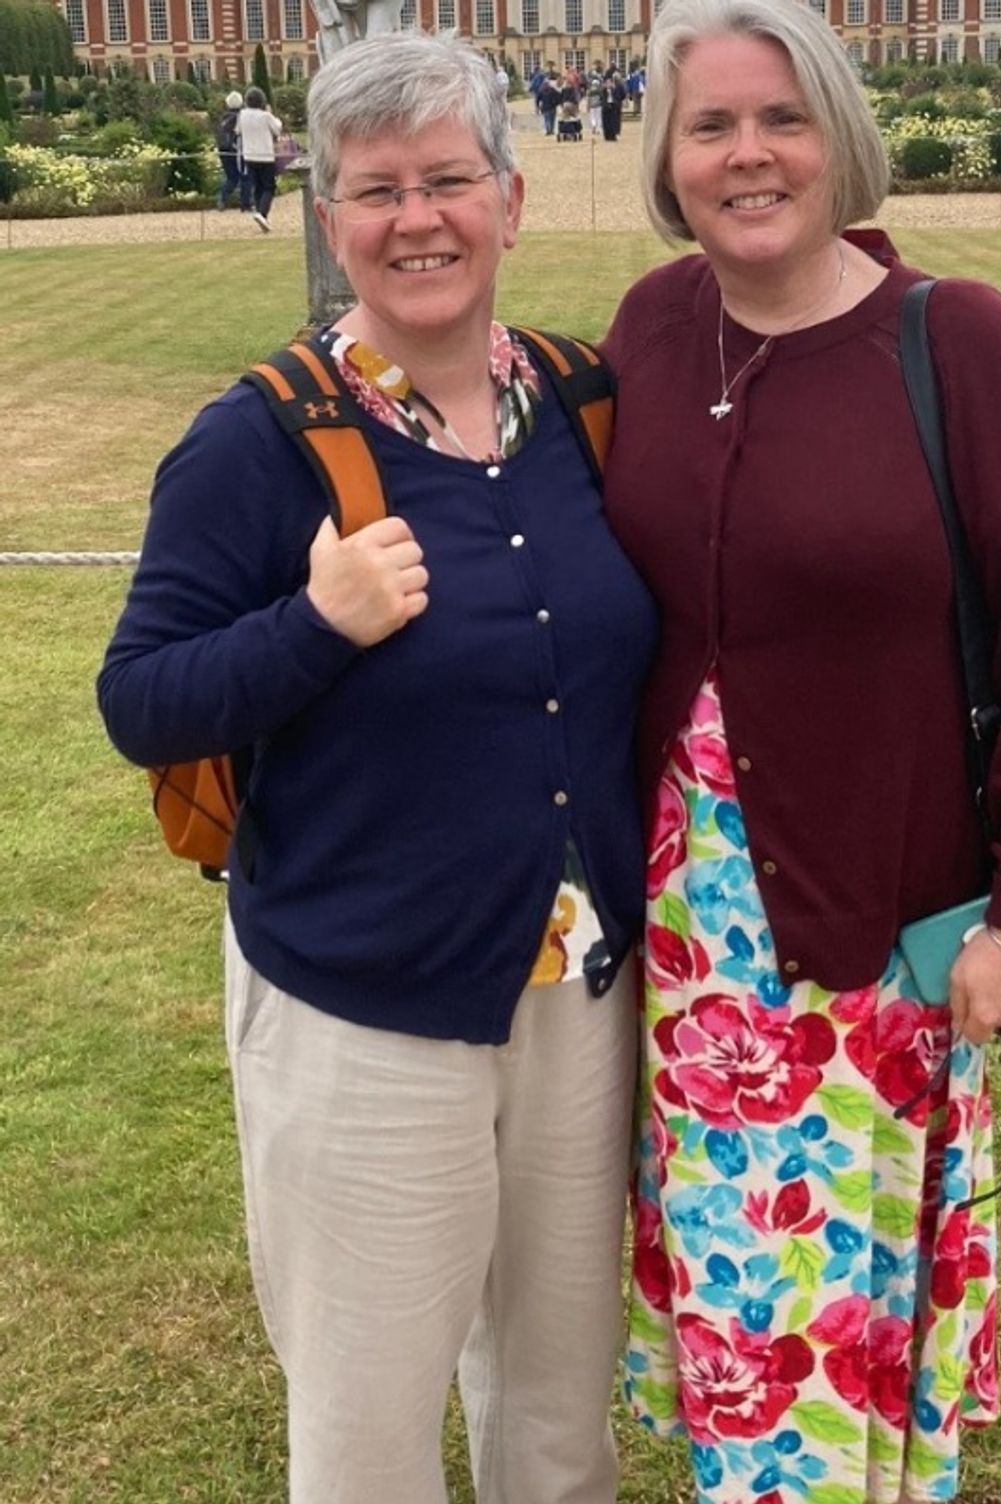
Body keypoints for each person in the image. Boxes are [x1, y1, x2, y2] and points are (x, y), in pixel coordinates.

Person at [97, 31, 657, 1504]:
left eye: (450, 180)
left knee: (558, 1415)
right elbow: (140, 698)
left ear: (512, 200)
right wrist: (314, 625)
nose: (420, 219)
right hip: (364, 1008)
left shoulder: (585, 404)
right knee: (368, 1435)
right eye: (378, 189)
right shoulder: (257, 441)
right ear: (328, 213)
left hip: (577, 994)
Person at [599, 0, 1001, 1501]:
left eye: (784, 118)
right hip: (688, 952)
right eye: (711, 125)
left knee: (833, 1343)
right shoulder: (651, 326)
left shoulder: (958, 341)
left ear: (841, 136)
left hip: (877, 950)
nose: (748, 154)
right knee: (742, 1329)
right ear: (669, 158)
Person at [236, 84, 282, 232]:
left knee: (257, 187)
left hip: (249, 155)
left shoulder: (242, 115)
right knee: (269, 187)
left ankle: (261, 215)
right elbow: (277, 129)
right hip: (265, 156)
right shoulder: (265, 116)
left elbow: (238, 131)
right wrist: (272, 115)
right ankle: (262, 213)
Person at [214, 89, 249, 211]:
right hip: (236, 150)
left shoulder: (224, 118)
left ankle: (222, 198)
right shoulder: (240, 117)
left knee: (231, 178)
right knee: (245, 176)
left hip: (223, 149)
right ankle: (246, 203)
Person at [600, 66, 625, 141]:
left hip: (613, 105)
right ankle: (607, 135)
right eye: (607, 82)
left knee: (612, 121)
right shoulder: (603, 90)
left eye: (609, 82)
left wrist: (617, 101)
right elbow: (601, 97)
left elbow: (621, 95)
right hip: (605, 106)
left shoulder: (615, 88)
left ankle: (613, 135)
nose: (608, 83)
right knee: (606, 122)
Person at [537, 67, 562, 136]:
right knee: (552, 119)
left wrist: (538, 106)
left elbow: (538, 99)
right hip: (552, 107)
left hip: (545, 107)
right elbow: (559, 96)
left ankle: (548, 130)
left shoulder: (541, 90)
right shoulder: (552, 90)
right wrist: (557, 103)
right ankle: (551, 130)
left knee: (547, 119)